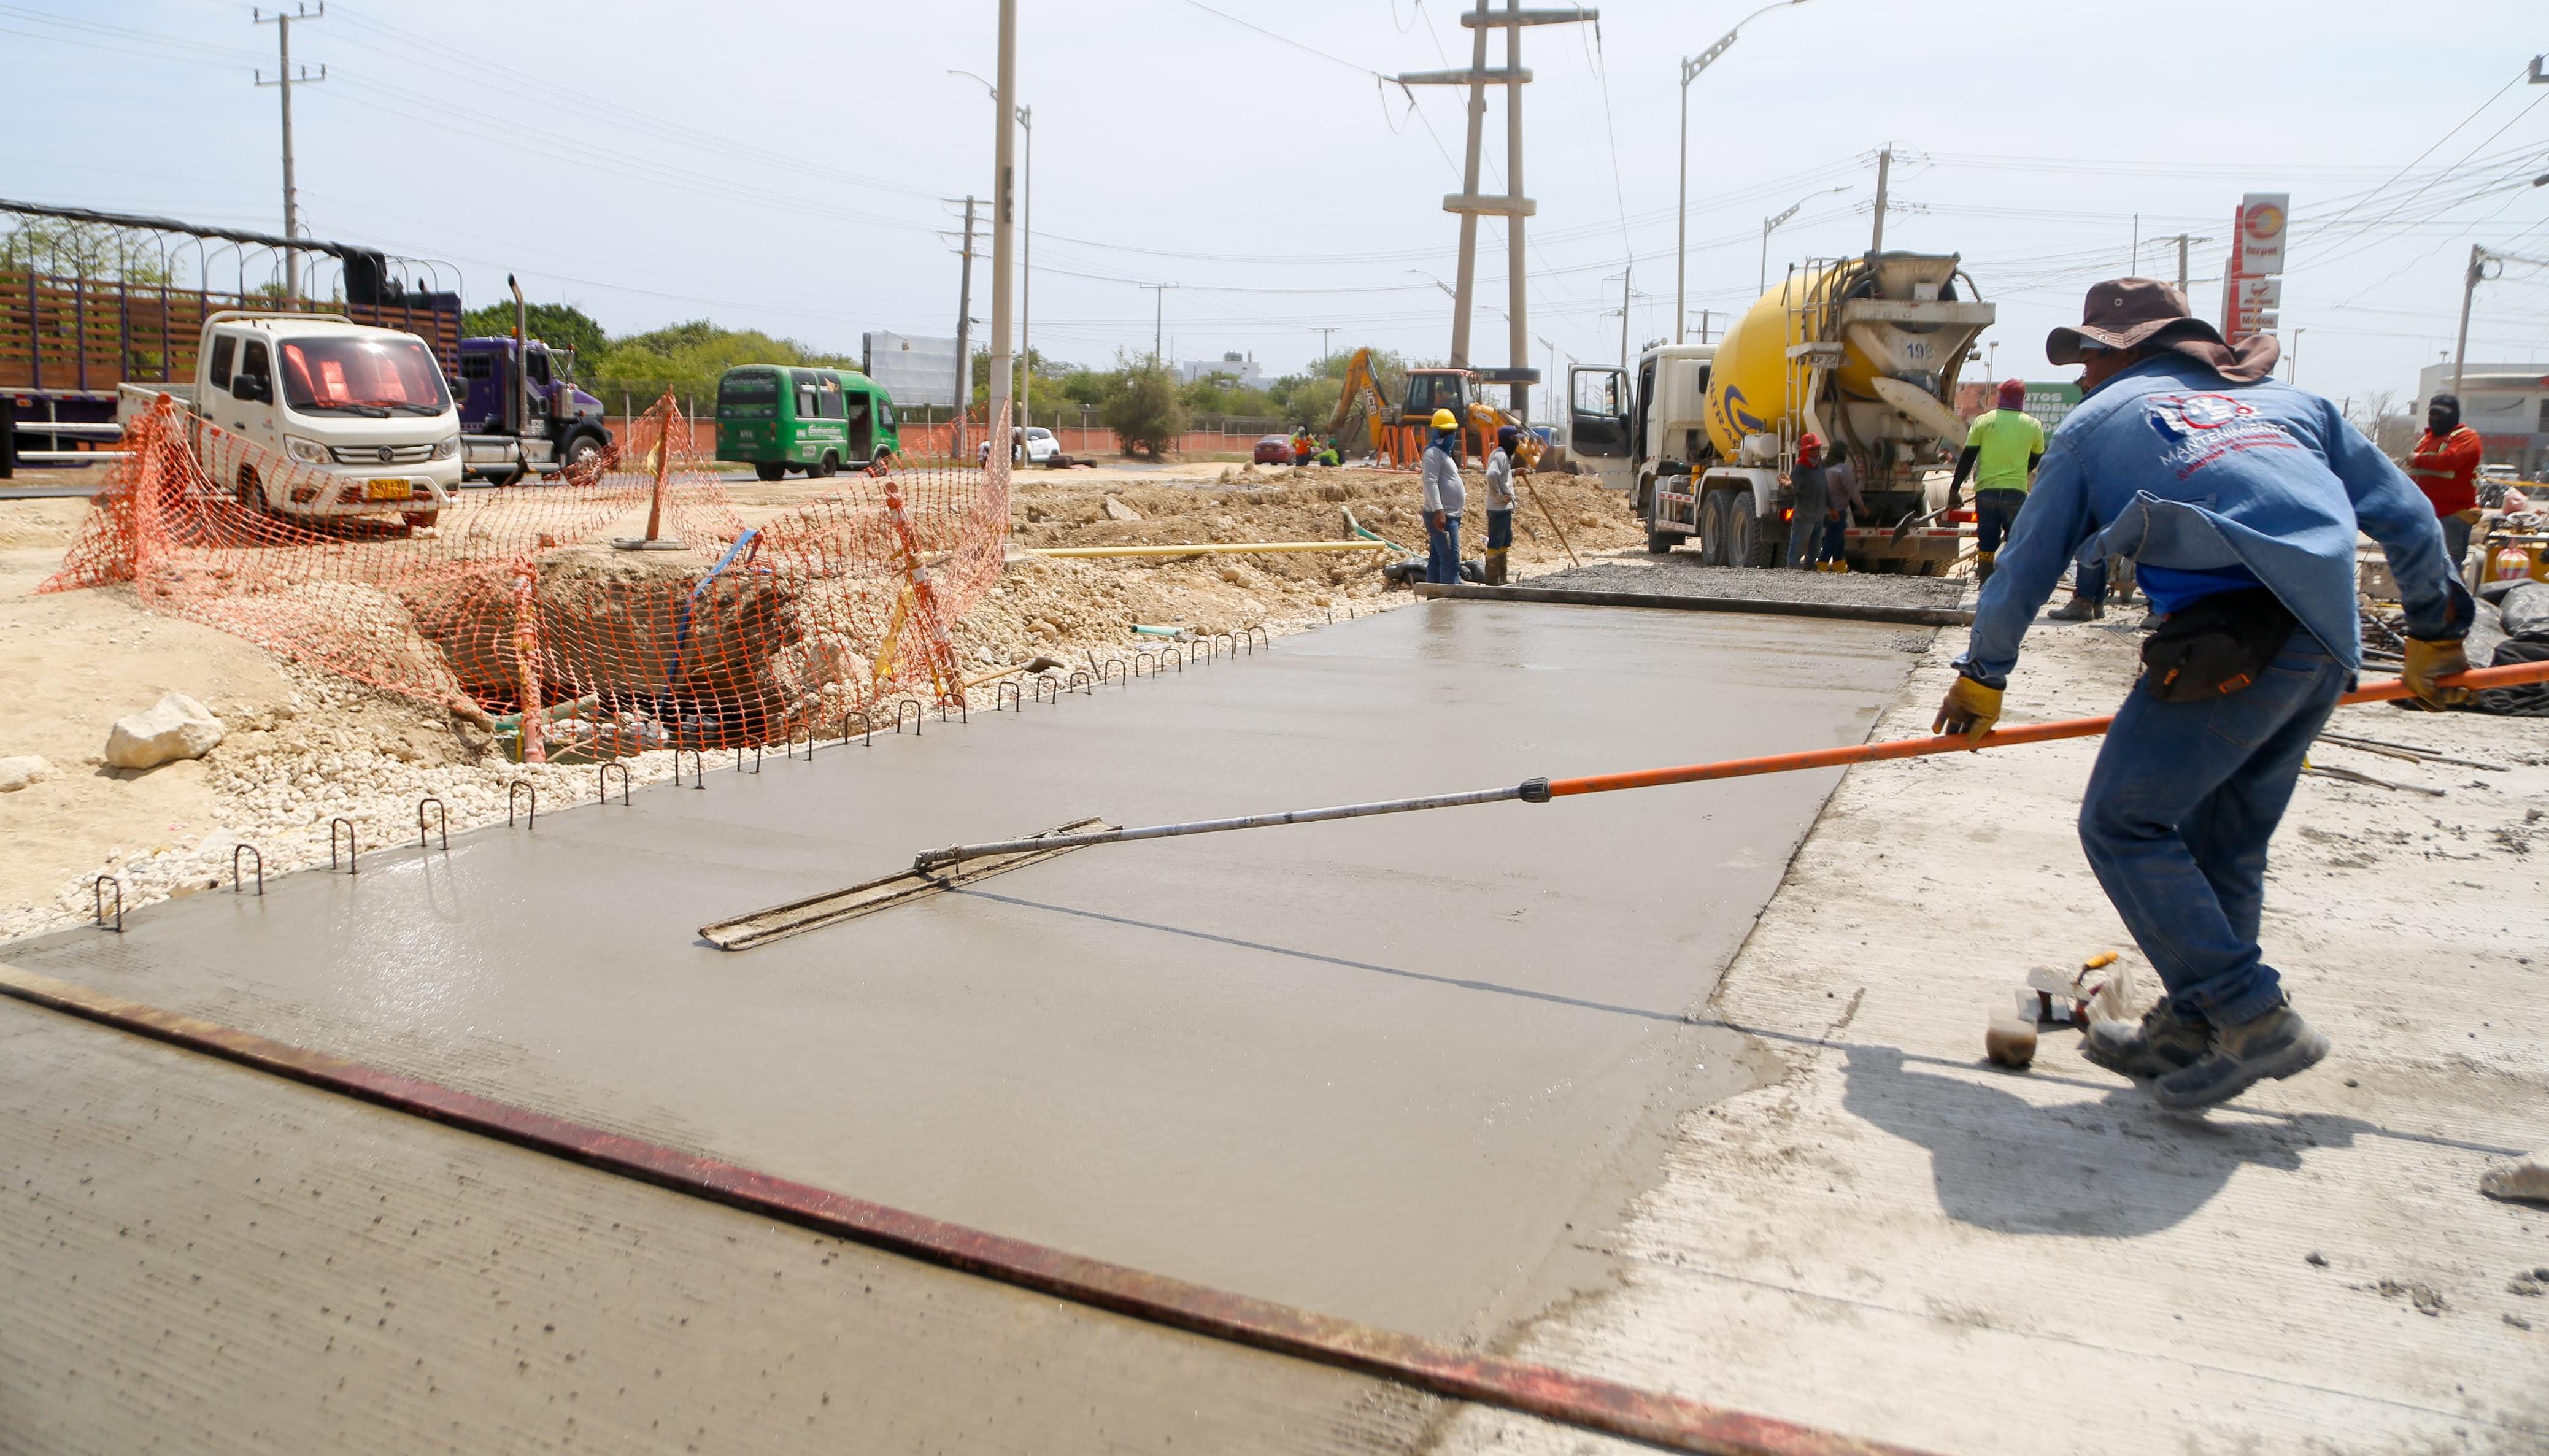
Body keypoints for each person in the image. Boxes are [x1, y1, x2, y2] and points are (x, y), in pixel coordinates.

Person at [1932, 278, 2472, 1112]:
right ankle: (2192, 1028)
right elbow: (2408, 517)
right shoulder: (2296, 406)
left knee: (2122, 821)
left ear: (2124, 352)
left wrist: (1981, 678)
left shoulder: (2093, 427)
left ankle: (2251, 1015)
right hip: (2325, 642)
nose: (2080, 378)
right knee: (2225, 842)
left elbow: (2023, 569)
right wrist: (2435, 633)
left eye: (2087, 358)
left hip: (2232, 646)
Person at [1952, 379, 2045, 588]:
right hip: (2016, 492)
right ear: (2023, 399)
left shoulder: (1983, 421)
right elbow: (2038, 457)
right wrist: (2021, 472)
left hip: (1987, 492)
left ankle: (1986, 585)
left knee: (1987, 542)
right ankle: (2009, 586)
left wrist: (1954, 489)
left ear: (2000, 396)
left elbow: (1968, 457)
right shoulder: (2033, 425)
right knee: (2014, 541)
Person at [2407, 393, 2483, 581]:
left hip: (2453, 516)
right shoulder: (2426, 439)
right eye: (2432, 413)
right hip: (2426, 514)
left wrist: (2418, 459)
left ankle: (2457, 610)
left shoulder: (2466, 437)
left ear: (2454, 415)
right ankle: (2429, 610)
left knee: (2448, 568)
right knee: (2424, 567)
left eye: (2440, 414)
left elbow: (2451, 460)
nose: (2435, 418)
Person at [1420, 407, 1466, 585]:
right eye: (1446, 432)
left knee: (1438, 559)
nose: (1450, 436)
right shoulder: (1432, 454)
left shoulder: (1444, 454)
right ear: (1437, 432)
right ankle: (1449, 602)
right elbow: (1430, 483)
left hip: (1449, 514)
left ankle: (1434, 600)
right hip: (1442, 515)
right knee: (1451, 559)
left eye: (1452, 432)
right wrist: (1439, 511)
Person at [1481, 425, 1521, 584]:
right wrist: (1498, 496)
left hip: (1504, 509)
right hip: (1498, 509)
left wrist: (1515, 472)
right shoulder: (1500, 456)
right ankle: (1493, 581)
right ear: (1509, 440)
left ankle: (1502, 579)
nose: (1518, 442)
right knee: (1496, 543)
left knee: (1505, 542)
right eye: (1516, 439)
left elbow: (1501, 475)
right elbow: (1491, 474)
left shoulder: (1503, 456)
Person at [1786, 433, 1832, 569]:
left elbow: (1826, 489)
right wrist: (1788, 486)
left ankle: (1810, 568)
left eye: (1817, 448)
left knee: (1815, 548)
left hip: (1818, 515)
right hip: (1804, 515)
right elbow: (1793, 489)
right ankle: (1793, 568)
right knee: (1798, 544)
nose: (1815, 451)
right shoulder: (1799, 468)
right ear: (1805, 450)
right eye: (1812, 449)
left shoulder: (1820, 467)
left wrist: (1831, 508)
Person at [1814, 449, 1865, 571]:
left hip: (1822, 509)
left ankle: (1839, 565)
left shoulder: (1822, 467)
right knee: (1832, 538)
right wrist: (1861, 506)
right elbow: (1852, 490)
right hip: (1837, 511)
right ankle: (1822, 564)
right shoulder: (1842, 469)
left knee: (1839, 537)